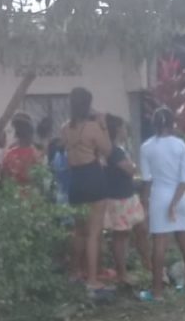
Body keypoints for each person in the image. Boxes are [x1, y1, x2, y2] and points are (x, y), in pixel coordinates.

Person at [61, 88, 112, 294]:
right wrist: (104, 126)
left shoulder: (65, 128)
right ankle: (92, 279)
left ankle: (75, 272)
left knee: (78, 231)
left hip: (75, 180)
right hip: (93, 178)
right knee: (93, 233)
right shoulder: (93, 128)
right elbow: (108, 150)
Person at [140, 107, 185, 301]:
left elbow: (147, 180)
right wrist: (174, 203)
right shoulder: (180, 145)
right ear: (172, 123)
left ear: (154, 124)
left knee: (159, 244)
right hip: (180, 198)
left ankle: (157, 293)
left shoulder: (146, 147)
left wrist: (145, 205)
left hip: (159, 198)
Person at [103, 115, 151, 285]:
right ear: (117, 130)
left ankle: (147, 263)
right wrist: (134, 166)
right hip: (120, 198)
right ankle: (122, 273)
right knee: (121, 235)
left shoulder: (117, 149)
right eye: (123, 127)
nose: (125, 131)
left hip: (127, 196)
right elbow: (130, 170)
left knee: (140, 229)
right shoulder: (114, 151)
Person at [1, 114, 41, 185]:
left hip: (14, 190)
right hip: (28, 191)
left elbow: (5, 178)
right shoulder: (35, 153)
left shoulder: (9, 154)